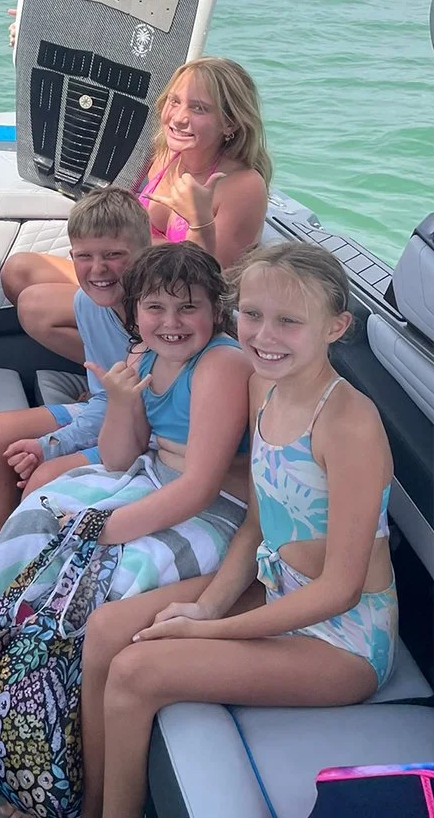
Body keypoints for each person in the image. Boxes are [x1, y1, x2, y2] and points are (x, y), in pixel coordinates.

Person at [78, 242, 397, 818]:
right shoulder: (262, 386)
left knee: (134, 673)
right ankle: (87, 803)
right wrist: (207, 607)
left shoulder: (350, 425)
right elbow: (257, 521)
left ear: (336, 326)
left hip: (342, 641)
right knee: (105, 630)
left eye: (289, 321)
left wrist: (214, 630)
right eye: (252, 314)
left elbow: (341, 589)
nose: (264, 336)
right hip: (277, 588)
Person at [0, 187, 151, 640]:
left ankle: (3, 598)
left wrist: (51, 447)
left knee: (44, 475)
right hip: (109, 413)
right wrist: (51, 440)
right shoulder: (88, 304)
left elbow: (141, 413)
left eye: (114, 255)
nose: (98, 269)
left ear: (145, 253)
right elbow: (105, 400)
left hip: (144, 435)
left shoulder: (157, 317)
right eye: (85, 257)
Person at [0, 241, 251, 631]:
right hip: (149, 476)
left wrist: (101, 528)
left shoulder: (221, 364)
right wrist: (121, 402)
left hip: (218, 506)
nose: (171, 322)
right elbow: (119, 459)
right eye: (155, 307)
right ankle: (3, 616)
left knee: (119, 571)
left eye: (188, 307)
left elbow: (199, 489)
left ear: (216, 311)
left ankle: (59, 640)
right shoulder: (142, 355)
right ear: (135, 311)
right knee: (39, 516)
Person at [1, 57, 271, 360]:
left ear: (230, 123)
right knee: (17, 271)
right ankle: (113, 356)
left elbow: (204, 285)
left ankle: (130, 371)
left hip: (168, 301)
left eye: (198, 109)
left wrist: (197, 219)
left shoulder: (243, 186)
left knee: (34, 307)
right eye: (174, 101)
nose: (179, 117)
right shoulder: (166, 154)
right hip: (129, 278)